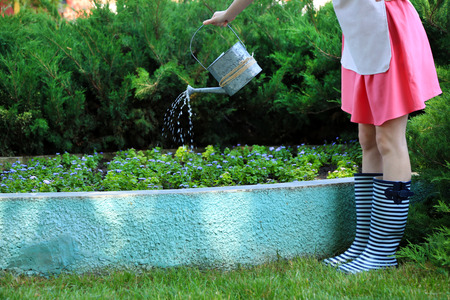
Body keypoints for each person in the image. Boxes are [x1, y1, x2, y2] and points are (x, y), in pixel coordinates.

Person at [203, 0, 442, 273]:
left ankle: (382, 251)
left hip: (385, 27)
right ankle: (364, 243)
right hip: (359, 33)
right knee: (367, 139)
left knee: (389, 139)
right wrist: (229, 14)